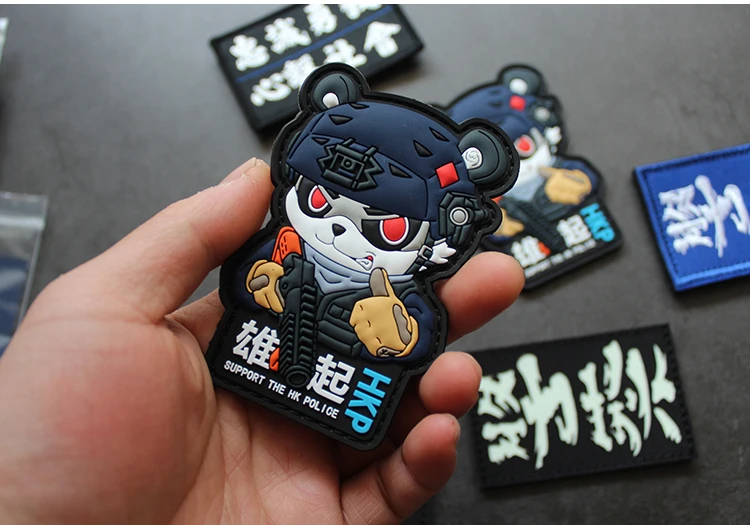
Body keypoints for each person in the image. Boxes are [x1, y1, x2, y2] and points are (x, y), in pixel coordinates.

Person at [0, 159, 524, 525]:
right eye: (320, 201)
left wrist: (398, 335)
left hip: (333, 405)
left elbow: (417, 335)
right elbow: (249, 277)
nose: (339, 230)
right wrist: (264, 282)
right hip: (248, 378)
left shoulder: (401, 291)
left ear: (431, 243)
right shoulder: (282, 247)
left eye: (385, 229)